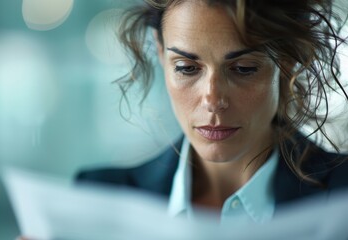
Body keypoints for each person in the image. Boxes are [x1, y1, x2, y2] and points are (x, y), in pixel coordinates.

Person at [77, 0, 348, 224]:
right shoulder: (98, 199)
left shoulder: (342, 198)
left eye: (243, 68)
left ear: (288, 61)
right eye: (186, 68)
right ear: (160, 51)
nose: (213, 99)